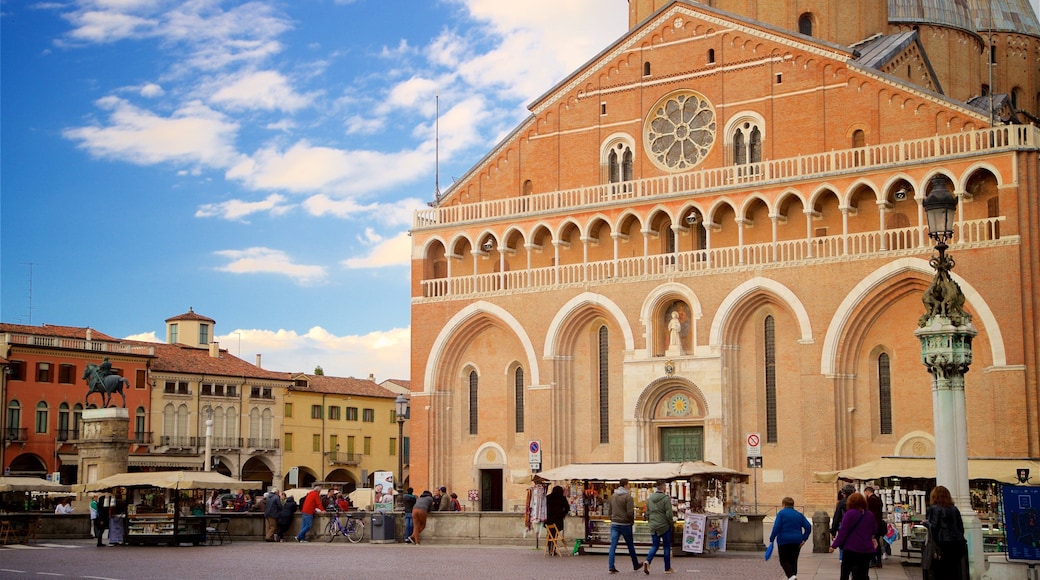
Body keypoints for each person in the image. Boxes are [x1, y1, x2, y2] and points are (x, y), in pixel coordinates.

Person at [829, 492, 877, 580]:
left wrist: (834, 546)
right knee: (863, 574)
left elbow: (843, 532)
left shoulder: (849, 514)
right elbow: (874, 530)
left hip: (851, 549)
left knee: (845, 573)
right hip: (866, 549)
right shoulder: (869, 514)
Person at [925, 485, 967, 579]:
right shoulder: (954, 509)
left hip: (942, 543)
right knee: (954, 571)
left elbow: (934, 526)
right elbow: (960, 527)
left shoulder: (934, 508)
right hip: (958, 543)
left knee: (940, 572)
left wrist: (926, 524)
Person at [769, 496, 812, 580]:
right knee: (793, 560)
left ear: (783, 505)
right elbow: (808, 526)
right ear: (793, 505)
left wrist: (772, 538)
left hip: (783, 540)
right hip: (797, 541)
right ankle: (793, 576)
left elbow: (776, 527)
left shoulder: (781, 513)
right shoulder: (799, 514)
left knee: (784, 560)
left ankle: (791, 576)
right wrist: (804, 538)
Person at [607, 478, 641, 574]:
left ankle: (611, 566)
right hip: (625, 524)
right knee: (630, 545)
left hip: (614, 524)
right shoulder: (628, 497)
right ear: (625, 485)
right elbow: (630, 512)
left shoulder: (613, 496)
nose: (629, 486)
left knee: (613, 545)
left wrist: (612, 518)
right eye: (629, 484)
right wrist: (631, 521)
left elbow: (609, 510)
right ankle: (635, 564)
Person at [643, 480, 676, 574]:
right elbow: (669, 514)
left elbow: (647, 513)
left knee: (655, 545)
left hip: (653, 526)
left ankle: (648, 561)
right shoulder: (666, 499)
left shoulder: (650, 498)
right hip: (664, 526)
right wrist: (671, 523)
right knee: (666, 547)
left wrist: (650, 521)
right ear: (664, 487)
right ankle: (667, 568)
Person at [863, 486, 885, 568]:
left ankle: (873, 560)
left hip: (871, 525)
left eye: (865, 493)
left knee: (872, 543)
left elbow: (867, 512)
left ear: (867, 492)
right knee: (877, 542)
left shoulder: (870, 500)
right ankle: (879, 561)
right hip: (879, 524)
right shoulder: (878, 499)